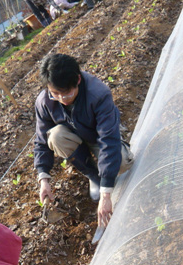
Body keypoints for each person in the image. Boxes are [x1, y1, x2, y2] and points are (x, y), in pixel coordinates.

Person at [33, 53, 134, 228]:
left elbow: (108, 140)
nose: (62, 99)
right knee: (55, 136)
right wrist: (44, 179)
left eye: (67, 93)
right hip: (73, 138)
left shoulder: (98, 94)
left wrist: (106, 194)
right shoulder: (44, 102)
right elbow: (42, 140)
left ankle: (105, 176)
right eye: (55, 93)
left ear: (78, 80)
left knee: (123, 163)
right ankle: (93, 176)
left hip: (97, 137)